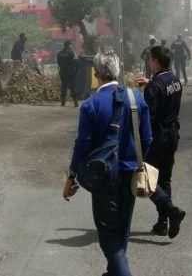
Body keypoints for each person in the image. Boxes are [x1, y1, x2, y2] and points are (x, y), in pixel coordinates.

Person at [64, 51, 152, 276]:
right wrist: (136, 162)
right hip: (131, 174)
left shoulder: (90, 105)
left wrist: (72, 176)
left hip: (104, 179)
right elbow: (148, 138)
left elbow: (82, 145)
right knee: (122, 231)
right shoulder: (137, 99)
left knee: (107, 237)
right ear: (118, 71)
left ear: (96, 74)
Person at [135, 46, 187, 239]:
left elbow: (149, 117)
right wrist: (151, 84)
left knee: (147, 178)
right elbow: (164, 91)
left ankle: (171, 210)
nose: (149, 62)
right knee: (164, 179)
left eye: (150, 59)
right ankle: (163, 223)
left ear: (156, 61)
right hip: (173, 135)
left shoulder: (154, 86)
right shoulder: (175, 80)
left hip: (157, 137)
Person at [57, 41, 80, 107]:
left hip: (62, 72)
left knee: (63, 86)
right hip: (70, 72)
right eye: (71, 45)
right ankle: (75, 102)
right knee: (72, 86)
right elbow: (76, 61)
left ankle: (63, 101)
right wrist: (77, 70)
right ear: (69, 45)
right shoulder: (72, 52)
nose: (72, 46)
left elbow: (58, 62)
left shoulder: (59, 53)